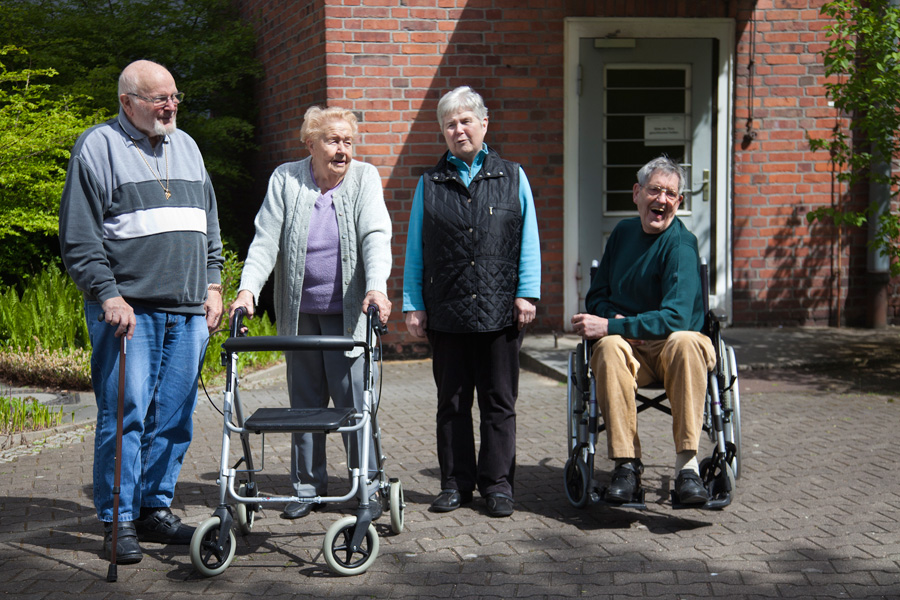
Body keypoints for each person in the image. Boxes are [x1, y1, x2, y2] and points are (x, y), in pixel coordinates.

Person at [59, 60, 224, 564]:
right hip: (128, 312)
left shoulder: (189, 146)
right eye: (158, 99)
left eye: (175, 96)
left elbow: (208, 222)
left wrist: (214, 282)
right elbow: (79, 238)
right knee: (125, 416)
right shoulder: (98, 147)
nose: (170, 106)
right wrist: (107, 294)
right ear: (127, 102)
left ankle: (153, 508)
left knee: (175, 419)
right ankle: (118, 519)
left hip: (188, 312)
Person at [229, 105, 392, 521]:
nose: (343, 150)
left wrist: (376, 287)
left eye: (348, 141)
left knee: (354, 404)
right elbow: (266, 240)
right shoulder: (286, 178)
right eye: (334, 140)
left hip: (350, 316)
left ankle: (367, 486)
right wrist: (248, 292)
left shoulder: (364, 178)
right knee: (304, 405)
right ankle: (306, 487)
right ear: (311, 143)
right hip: (300, 314)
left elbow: (375, 233)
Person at [403, 86, 541, 518]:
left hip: (501, 312)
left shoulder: (513, 176)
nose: (458, 129)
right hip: (447, 312)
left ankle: (497, 485)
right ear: (442, 131)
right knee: (453, 405)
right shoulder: (430, 183)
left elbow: (529, 241)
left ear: (484, 124)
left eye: (465, 121)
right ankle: (455, 484)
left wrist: (527, 292)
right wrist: (413, 303)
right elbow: (414, 250)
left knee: (499, 403)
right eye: (450, 123)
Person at [570, 156, 716, 506]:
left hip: (673, 355)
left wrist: (616, 324)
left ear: (679, 202)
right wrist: (613, 322)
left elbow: (677, 318)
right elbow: (598, 296)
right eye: (655, 190)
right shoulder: (622, 234)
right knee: (606, 347)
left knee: (685, 341)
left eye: (671, 194)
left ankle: (687, 469)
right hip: (630, 354)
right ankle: (626, 465)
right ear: (637, 193)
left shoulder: (681, 245)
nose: (662, 200)